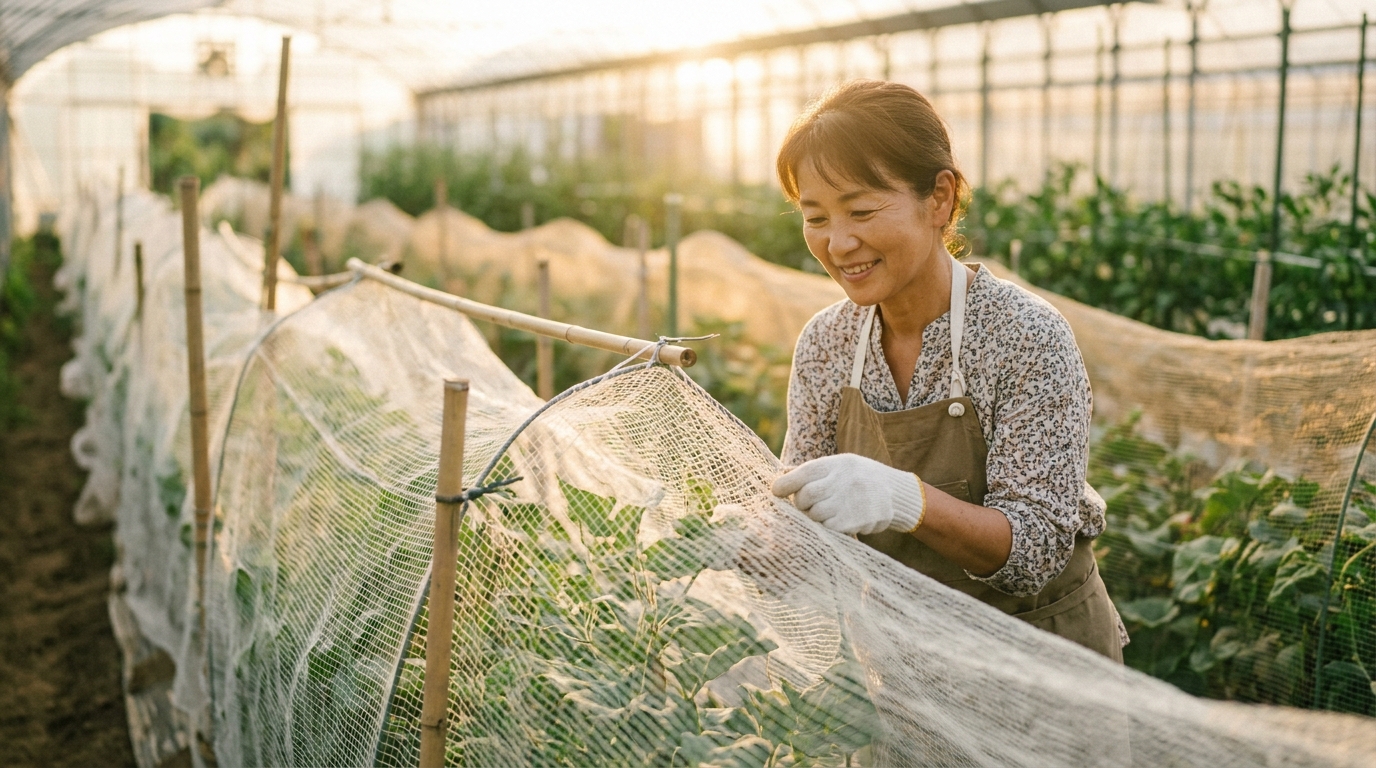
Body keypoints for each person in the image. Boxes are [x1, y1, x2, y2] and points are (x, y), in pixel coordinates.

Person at [769, 80, 1125, 660]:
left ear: (940, 198)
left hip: (1043, 667)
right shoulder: (825, 344)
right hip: (905, 664)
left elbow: (1035, 548)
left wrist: (905, 499)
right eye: (815, 217)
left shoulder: (1023, 336)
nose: (838, 242)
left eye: (860, 210)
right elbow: (804, 522)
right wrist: (754, 540)